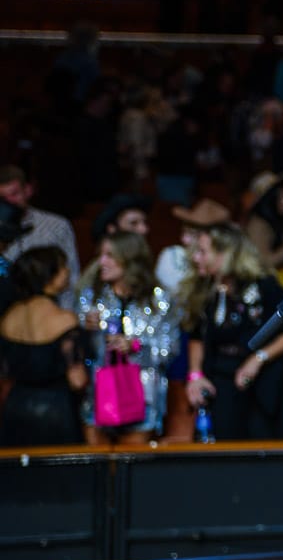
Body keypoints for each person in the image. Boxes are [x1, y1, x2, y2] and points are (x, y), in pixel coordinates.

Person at [182, 222, 283, 438]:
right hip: (220, 381)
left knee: (261, 448)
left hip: (262, 384)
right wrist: (195, 374)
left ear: (224, 253)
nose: (196, 258)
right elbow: (196, 336)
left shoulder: (263, 286)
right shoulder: (205, 290)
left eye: (202, 251)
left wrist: (258, 359)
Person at [75, 230, 178, 444]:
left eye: (110, 255)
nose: (102, 261)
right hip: (98, 395)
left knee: (132, 468)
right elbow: (75, 352)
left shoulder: (157, 298)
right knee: (98, 469)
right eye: (101, 254)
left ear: (129, 259)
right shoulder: (91, 296)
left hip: (142, 396)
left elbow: (170, 349)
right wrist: (85, 331)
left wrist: (136, 346)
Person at [0, 245, 87, 446]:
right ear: (50, 275)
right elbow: (77, 380)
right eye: (63, 266)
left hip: (16, 407)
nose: (67, 271)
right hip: (56, 409)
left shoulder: (8, 318)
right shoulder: (65, 319)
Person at [0, 165, 81, 290]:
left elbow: (72, 276)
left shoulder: (56, 225)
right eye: (3, 198)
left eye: (14, 194)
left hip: (51, 305)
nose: (10, 201)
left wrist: (65, 310)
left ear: (28, 190)